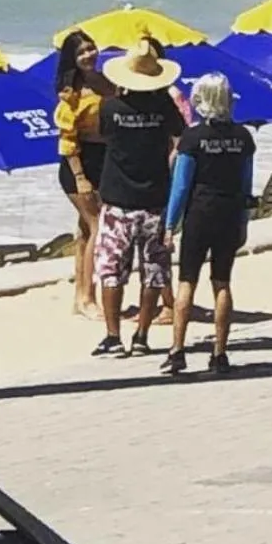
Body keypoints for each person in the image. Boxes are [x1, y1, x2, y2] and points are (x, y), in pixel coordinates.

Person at [91, 37, 186, 358]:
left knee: (111, 268)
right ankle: (142, 335)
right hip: (156, 197)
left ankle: (113, 335)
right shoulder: (164, 108)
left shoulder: (110, 108)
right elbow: (179, 135)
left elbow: (104, 135)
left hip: (118, 198)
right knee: (154, 270)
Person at [162, 73, 255, 378]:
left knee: (187, 280)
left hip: (200, 214)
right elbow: (246, 184)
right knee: (222, 281)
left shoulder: (193, 138)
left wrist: (170, 225)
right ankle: (220, 352)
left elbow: (181, 185)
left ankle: (177, 350)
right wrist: (243, 221)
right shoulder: (243, 138)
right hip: (230, 213)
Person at [53, 29, 109, 320]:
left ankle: (80, 296)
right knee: (97, 226)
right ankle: (89, 297)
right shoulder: (70, 94)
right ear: (72, 59)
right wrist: (80, 177)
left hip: (104, 158)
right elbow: (67, 141)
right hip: (79, 163)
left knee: (86, 231)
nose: (89, 54)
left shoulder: (106, 81)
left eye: (92, 48)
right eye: (82, 51)